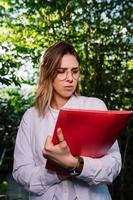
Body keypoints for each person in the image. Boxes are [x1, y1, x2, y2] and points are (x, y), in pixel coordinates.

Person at [13, 41, 121, 200]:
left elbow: (114, 164)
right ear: (48, 73)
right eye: (61, 71)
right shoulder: (31, 117)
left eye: (74, 71)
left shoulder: (95, 106)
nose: (70, 78)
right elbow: (21, 172)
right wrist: (58, 173)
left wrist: (76, 165)